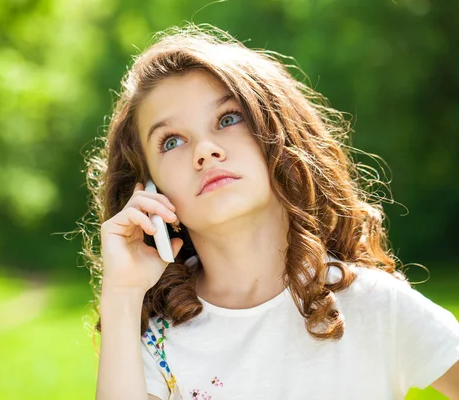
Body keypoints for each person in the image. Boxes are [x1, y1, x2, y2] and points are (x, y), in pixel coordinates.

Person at [84, 24, 459, 400]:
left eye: (228, 119)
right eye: (172, 141)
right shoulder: (159, 341)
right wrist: (122, 296)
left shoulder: (374, 304)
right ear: (150, 189)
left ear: (280, 137)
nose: (205, 150)